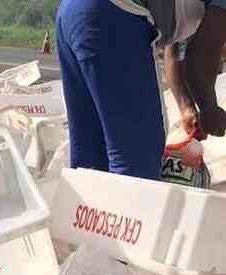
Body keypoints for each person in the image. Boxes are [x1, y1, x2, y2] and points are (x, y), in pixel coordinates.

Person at [56, 0, 226, 181]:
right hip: (116, 15)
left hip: (74, 13)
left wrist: (186, 107)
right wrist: (209, 108)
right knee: (137, 165)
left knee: (92, 162)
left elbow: (177, 49)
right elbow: (202, 53)